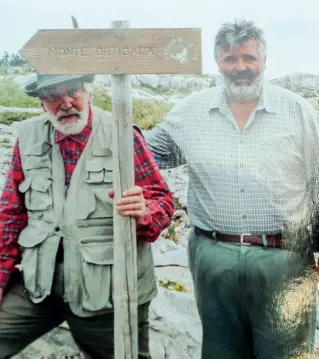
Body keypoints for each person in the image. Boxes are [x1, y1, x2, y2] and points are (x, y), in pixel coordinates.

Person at [144, 19, 319, 359]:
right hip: (213, 257)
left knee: (287, 352)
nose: (241, 67)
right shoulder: (191, 111)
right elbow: (149, 154)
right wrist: (106, 130)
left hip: (284, 259)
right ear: (217, 61)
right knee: (221, 351)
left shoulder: (297, 111)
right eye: (231, 59)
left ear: (264, 61)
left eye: (249, 58)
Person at [0, 73, 175, 359]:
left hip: (109, 293)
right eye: (54, 95)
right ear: (42, 104)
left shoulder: (123, 135)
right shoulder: (27, 138)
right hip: (39, 285)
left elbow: (163, 201)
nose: (66, 102)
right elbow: (10, 214)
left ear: (89, 94)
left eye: (73, 91)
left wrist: (144, 211)